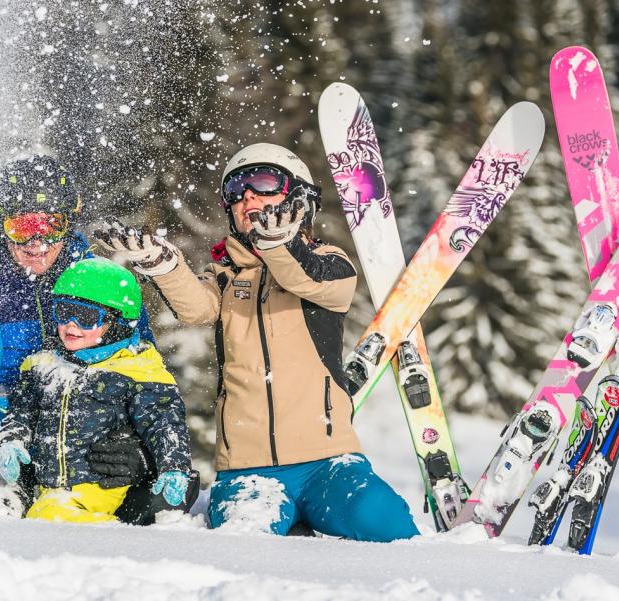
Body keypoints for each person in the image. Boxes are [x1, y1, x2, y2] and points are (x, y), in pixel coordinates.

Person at [95, 143, 418, 542]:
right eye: (236, 190)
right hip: (248, 469)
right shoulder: (225, 277)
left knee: (387, 527)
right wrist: (162, 262)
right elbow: (196, 308)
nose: (247, 195)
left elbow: (307, 278)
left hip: (330, 464)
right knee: (245, 547)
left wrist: (277, 242)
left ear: (299, 198)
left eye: (264, 183)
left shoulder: (329, 262)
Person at [0, 156, 159, 512]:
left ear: (68, 224)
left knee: (140, 511)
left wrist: (139, 446)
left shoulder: (101, 286)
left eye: (50, 225)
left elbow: (142, 375)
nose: (36, 242)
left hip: (77, 440)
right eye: (22, 228)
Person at [0, 257, 194, 523]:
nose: (70, 325)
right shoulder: (42, 366)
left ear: (118, 322)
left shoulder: (136, 371)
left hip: (104, 488)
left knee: (54, 517)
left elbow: (165, 424)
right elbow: (21, 414)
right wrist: (12, 440)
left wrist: (173, 466)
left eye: (86, 317)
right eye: (63, 312)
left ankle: (111, 543)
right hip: (49, 485)